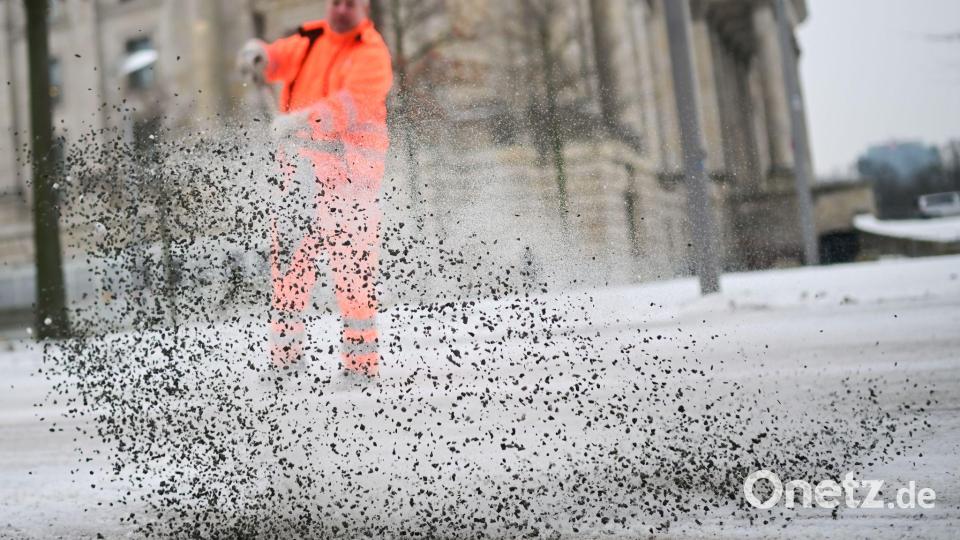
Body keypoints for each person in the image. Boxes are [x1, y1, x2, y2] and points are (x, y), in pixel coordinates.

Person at [237, 0, 392, 377]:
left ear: (363, 7)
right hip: (301, 175)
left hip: (350, 180)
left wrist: (303, 120)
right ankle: (285, 359)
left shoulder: (370, 53)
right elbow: (277, 58)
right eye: (336, 2)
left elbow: (350, 105)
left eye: (349, 3)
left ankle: (361, 364)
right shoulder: (310, 40)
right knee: (289, 268)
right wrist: (259, 54)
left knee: (353, 272)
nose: (341, 9)